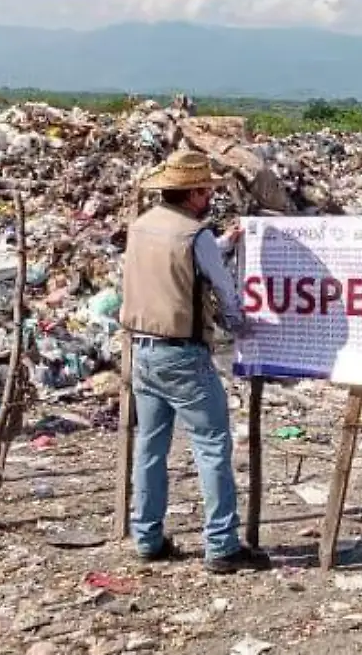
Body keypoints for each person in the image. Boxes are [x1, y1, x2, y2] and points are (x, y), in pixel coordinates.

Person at [120, 149, 272, 574]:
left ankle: (147, 537)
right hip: (182, 354)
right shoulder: (195, 234)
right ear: (192, 193)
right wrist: (243, 327)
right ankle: (221, 545)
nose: (210, 196)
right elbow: (223, 290)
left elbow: (178, 263)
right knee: (212, 446)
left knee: (150, 447)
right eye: (206, 189)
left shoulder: (143, 225)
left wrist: (225, 242)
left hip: (141, 351)